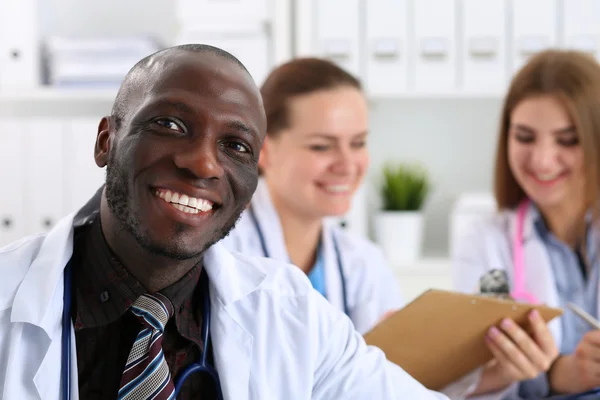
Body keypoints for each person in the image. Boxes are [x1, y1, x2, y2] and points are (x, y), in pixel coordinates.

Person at [0, 44, 448, 399]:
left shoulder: (294, 316)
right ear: (106, 141)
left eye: (236, 146)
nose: (202, 165)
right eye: (171, 124)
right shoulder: (9, 295)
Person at [452, 49, 600, 399]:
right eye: (524, 137)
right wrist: (555, 378)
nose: (542, 160)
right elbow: (464, 378)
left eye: (568, 140)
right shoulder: (484, 241)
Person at [221, 57, 403, 334]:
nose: (347, 165)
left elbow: (389, 374)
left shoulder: (364, 262)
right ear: (263, 150)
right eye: (321, 147)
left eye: (358, 143)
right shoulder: (220, 251)